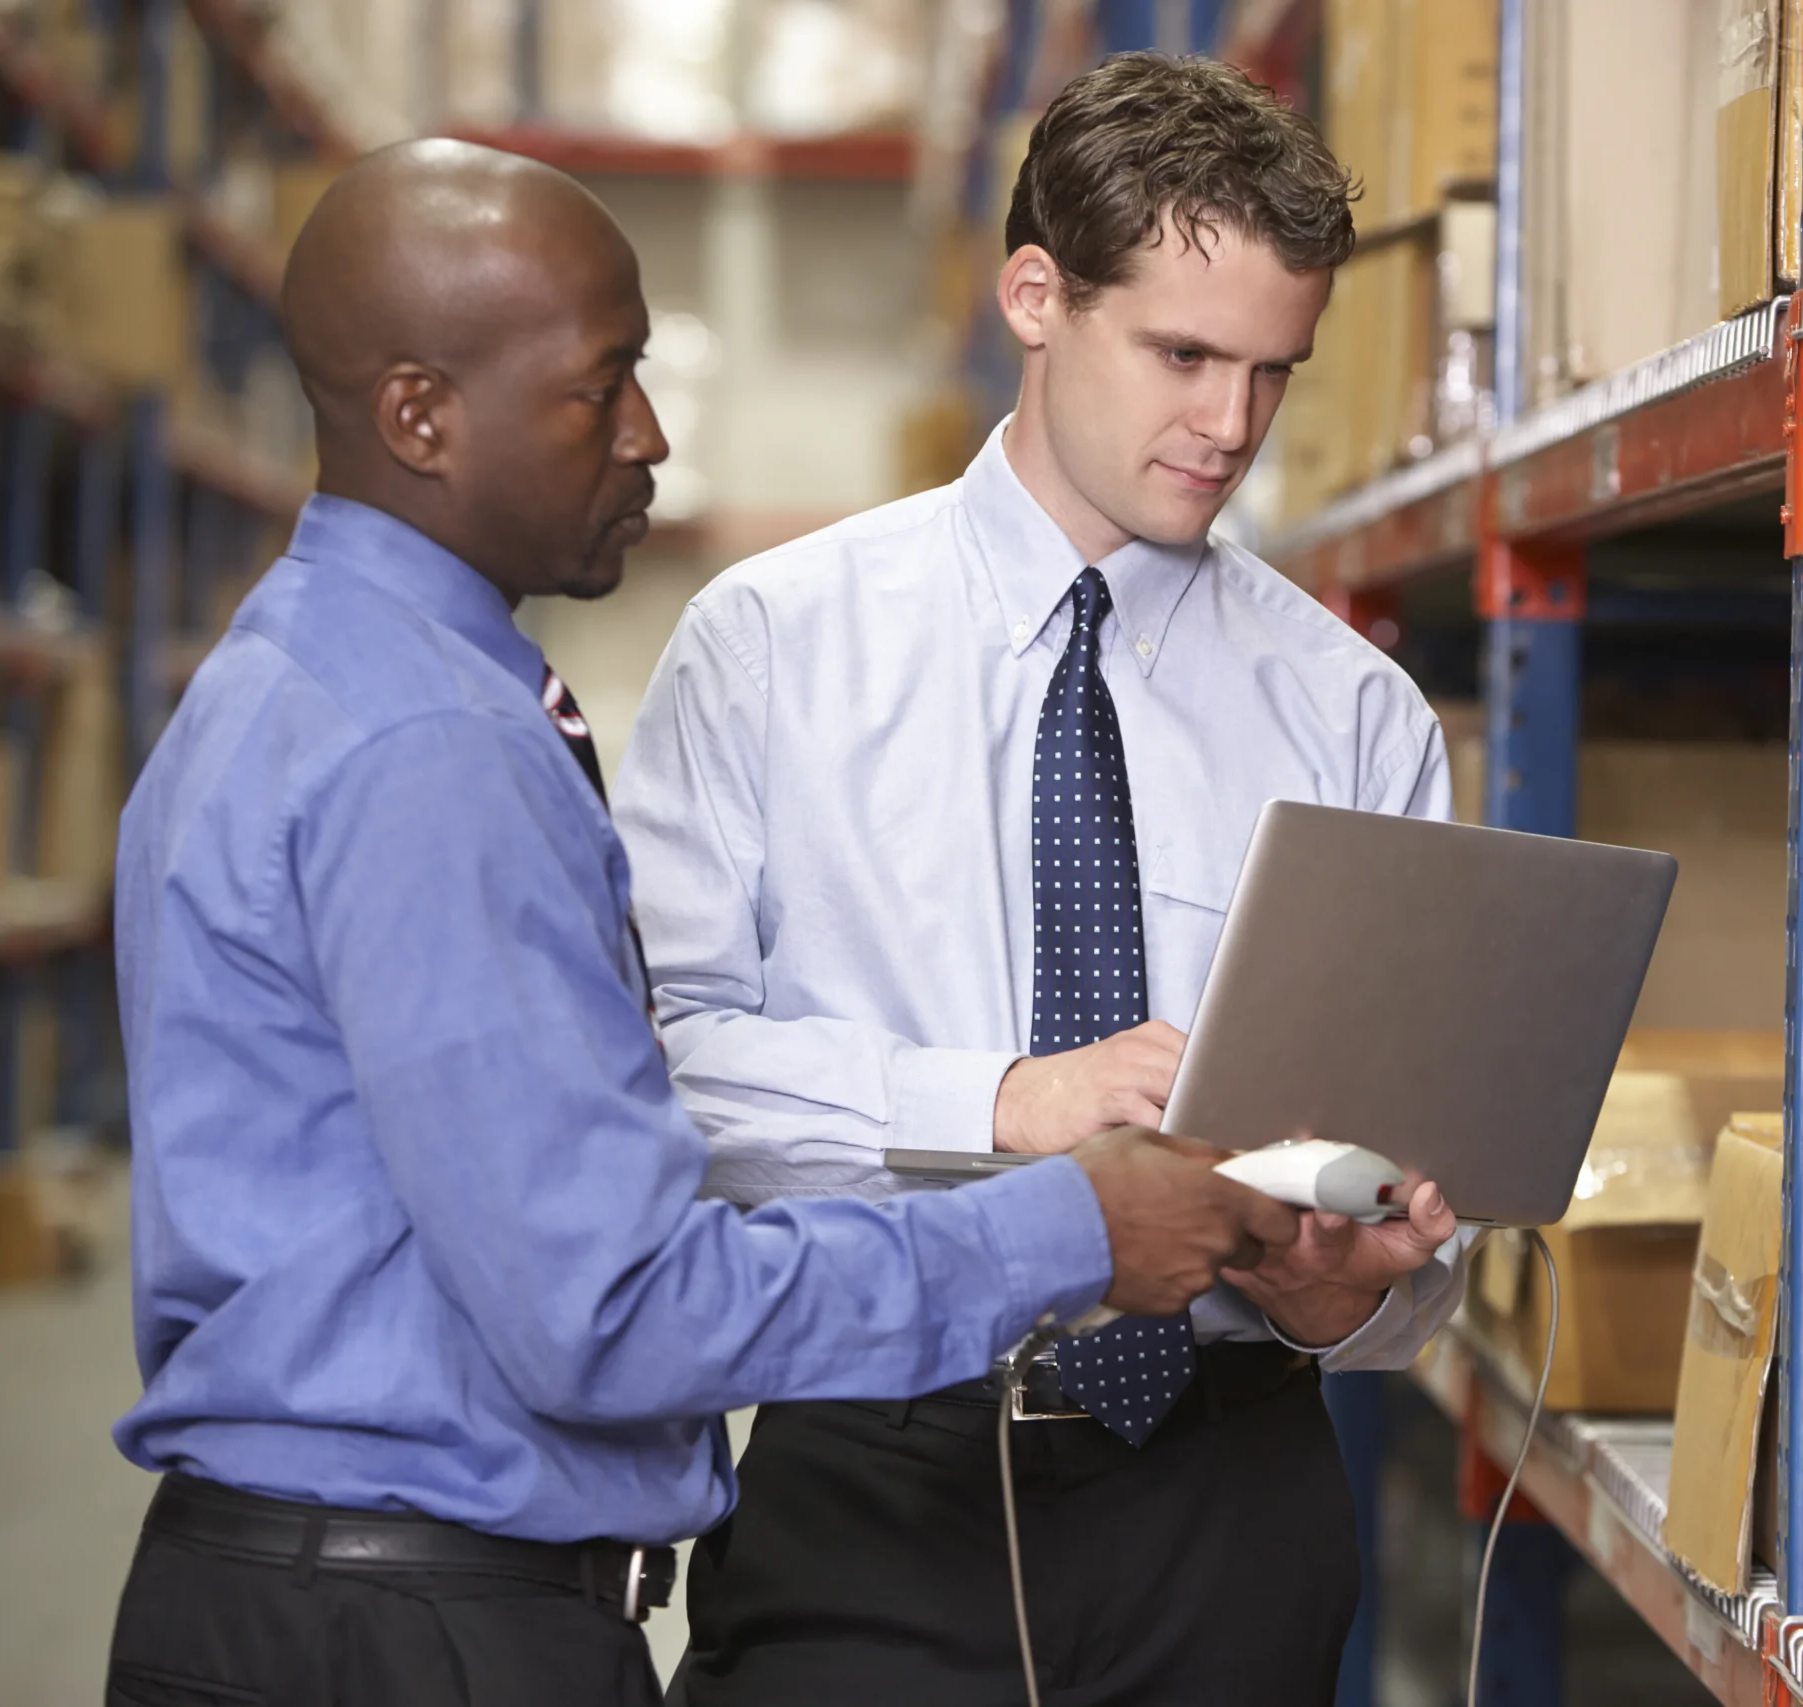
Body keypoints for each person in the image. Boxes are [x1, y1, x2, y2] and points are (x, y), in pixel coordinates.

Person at [103, 139, 1301, 1707]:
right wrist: (1075, 1220)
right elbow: (608, 1309)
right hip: (406, 1633)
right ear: (419, 416)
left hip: (335, 1601)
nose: (650, 435)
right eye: (602, 387)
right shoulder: (431, 750)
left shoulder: (301, 678)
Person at [616, 55, 1471, 1706]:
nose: (1231, 425)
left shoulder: (1352, 708)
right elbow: (657, 1068)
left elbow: (1400, 1206)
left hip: (1227, 1500)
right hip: (877, 1465)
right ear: (1034, 296)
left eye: (1273, 372)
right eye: (1183, 354)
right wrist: (1000, 1100)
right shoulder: (777, 645)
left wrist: (1331, 1293)